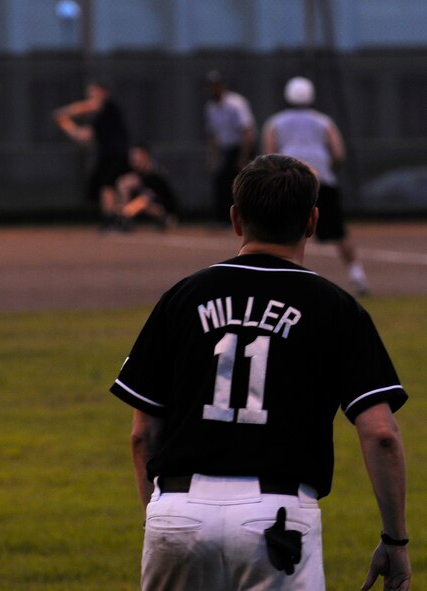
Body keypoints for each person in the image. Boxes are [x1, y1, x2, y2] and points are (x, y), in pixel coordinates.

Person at [109, 154, 410, 591]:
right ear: (312, 222)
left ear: (235, 219)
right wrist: (395, 540)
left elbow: (142, 434)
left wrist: (163, 520)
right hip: (277, 519)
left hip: (177, 509)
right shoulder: (335, 307)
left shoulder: (182, 297)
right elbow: (381, 433)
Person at [262, 76, 370, 296]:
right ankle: (358, 276)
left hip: (288, 181)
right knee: (338, 233)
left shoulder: (276, 122)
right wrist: (326, 169)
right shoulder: (324, 121)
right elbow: (338, 153)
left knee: (284, 232)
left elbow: (269, 155)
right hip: (322, 179)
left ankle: (280, 281)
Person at [53, 81, 130, 226]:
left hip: (116, 154)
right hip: (108, 155)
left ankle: (116, 219)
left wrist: (65, 112)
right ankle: (114, 219)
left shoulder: (109, 106)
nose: (90, 96)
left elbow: (89, 106)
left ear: (103, 92)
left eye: (94, 92)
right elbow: (82, 136)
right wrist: (64, 122)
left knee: (110, 185)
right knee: (106, 186)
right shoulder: (98, 119)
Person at [204, 70, 256, 224]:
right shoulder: (210, 107)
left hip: (241, 148)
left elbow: (247, 131)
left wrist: (244, 157)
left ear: (223, 86)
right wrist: (213, 158)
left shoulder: (236, 103)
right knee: (221, 182)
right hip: (226, 150)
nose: (214, 89)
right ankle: (224, 219)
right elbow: (214, 135)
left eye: (217, 85)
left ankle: (248, 218)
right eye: (212, 86)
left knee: (244, 184)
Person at [111, 143, 179, 230]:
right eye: (133, 157)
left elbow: (145, 200)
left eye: (138, 157)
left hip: (164, 207)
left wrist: (124, 211)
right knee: (124, 186)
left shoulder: (155, 175)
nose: (134, 160)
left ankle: (165, 218)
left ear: (145, 156)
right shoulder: (136, 172)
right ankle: (124, 219)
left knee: (142, 202)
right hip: (144, 202)